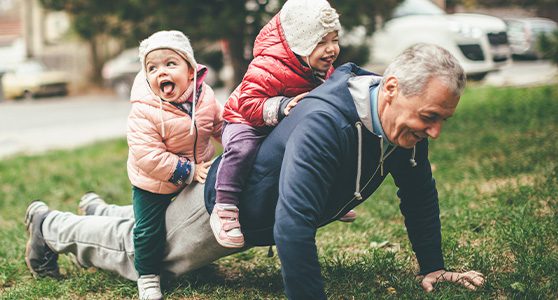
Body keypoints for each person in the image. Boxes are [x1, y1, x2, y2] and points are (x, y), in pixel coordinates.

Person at [24, 44, 484, 299]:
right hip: (220, 208)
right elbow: (293, 225)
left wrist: (434, 267)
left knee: (147, 228)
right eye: (429, 117)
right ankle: (51, 226)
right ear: (392, 89)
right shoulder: (328, 121)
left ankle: (101, 210)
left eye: (443, 119)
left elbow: (419, 191)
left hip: (247, 207)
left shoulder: (398, 124)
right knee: (140, 255)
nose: (435, 131)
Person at [211, 0, 356, 249]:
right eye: (321, 42)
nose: (331, 49)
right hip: (245, 118)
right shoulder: (267, 65)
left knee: (318, 145)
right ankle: (224, 206)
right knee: (243, 149)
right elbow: (248, 102)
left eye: (334, 39)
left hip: (283, 120)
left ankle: (327, 196)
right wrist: (280, 106)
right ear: (298, 42)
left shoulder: (320, 68)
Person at [128, 30, 223, 300]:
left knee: (201, 216)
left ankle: (200, 259)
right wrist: (189, 171)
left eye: (171, 64)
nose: (161, 72)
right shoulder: (144, 109)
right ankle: (147, 276)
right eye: (152, 67)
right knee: (148, 229)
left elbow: (218, 126)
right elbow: (148, 155)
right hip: (153, 181)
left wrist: (235, 140)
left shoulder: (205, 97)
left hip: (197, 170)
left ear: (191, 71)